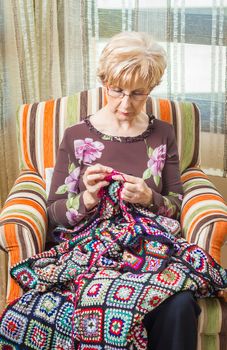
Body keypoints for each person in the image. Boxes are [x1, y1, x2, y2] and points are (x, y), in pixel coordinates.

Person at [0, 31, 226, 350]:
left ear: (151, 89)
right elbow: (54, 212)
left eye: (137, 93)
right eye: (116, 90)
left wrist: (149, 197)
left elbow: (175, 203)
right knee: (81, 302)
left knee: (179, 304)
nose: (124, 103)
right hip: (90, 247)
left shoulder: (163, 134)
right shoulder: (77, 135)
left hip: (150, 248)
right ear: (104, 81)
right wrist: (89, 198)